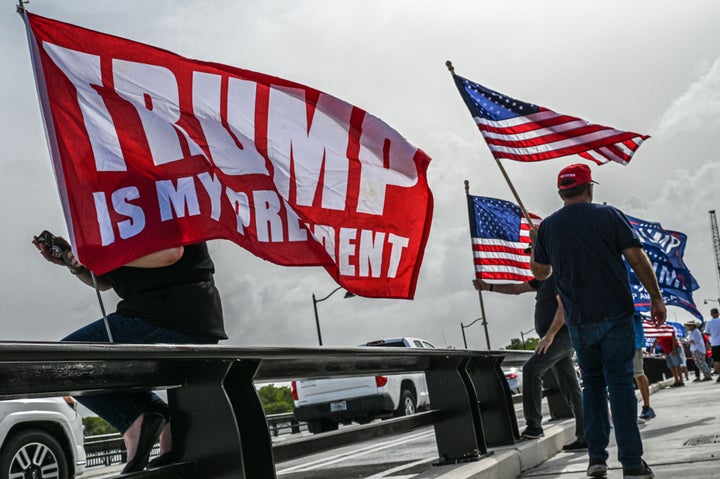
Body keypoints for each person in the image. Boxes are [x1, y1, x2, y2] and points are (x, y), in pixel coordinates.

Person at [33, 235, 226, 473]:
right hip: (179, 316)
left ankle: (139, 421)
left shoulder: (149, 200)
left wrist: (96, 255)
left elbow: (170, 254)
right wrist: (77, 265)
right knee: (65, 364)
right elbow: (104, 282)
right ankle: (161, 422)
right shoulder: (118, 221)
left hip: (166, 313)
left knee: (59, 364)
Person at [530, 163, 666, 479]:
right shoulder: (607, 215)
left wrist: (537, 246)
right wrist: (656, 297)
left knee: (591, 384)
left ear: (561, 192)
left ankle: (596, 459)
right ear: (589, 188)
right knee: (620, 384)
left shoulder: (548, 227)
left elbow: (542, 274)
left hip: (578, 321)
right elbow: (636, 257)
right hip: (616, 314)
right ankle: (632, 463)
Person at [473, 275, 586, 451]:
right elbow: (517, 289)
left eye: (532, 249)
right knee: (570, 387)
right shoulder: (543, 279)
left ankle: (534, 426)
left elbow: (563, 308)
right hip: (559, 338)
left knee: (531, 369)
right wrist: (489, 286)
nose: (531, 256)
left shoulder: (556, 276)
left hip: (560, 337)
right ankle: (586, 434)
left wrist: (549, 336)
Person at [632, 314, 655, 421]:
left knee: (638, 374)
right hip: (613, 341)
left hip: (633, 341)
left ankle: (647, 406)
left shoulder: (634, 299)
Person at [703, 308, 720, 382]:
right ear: (718, 313)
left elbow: (707, 333)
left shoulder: (709, 322)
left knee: (716, 360)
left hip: (715, 343)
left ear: (711, 314)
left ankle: (719, 374)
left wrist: (712, 334)